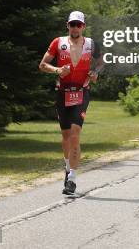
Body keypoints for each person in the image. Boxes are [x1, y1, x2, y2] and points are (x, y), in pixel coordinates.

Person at [38, 11, 103, 195]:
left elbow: (101, 61)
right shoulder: (58, 43)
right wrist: (57, 70)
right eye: (72, 24)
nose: (75, 28)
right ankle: (68, 168)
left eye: (78, 25)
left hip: (82, 92)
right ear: (67, 25)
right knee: (66, 135)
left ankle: (72, 180)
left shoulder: (91, 44)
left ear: (83, 26)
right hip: (62, 93)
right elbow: (42, 65)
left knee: (75, 134)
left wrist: (95, 72)